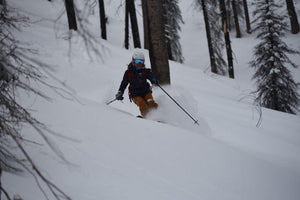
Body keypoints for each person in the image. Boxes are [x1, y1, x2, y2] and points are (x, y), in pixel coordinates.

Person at [115, 51, 158, 117]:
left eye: (141, 62)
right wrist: (120, 92)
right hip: (135, 94)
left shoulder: (145, 71)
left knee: (151, 102)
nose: (139, 64)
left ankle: (158, 115)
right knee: (142, 104)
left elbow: (151, 76)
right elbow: (124, 83)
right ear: (133, 61)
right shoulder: (128, 73)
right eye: (138, 61)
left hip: (146, 91)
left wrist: (154, 81)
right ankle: (148, 117)